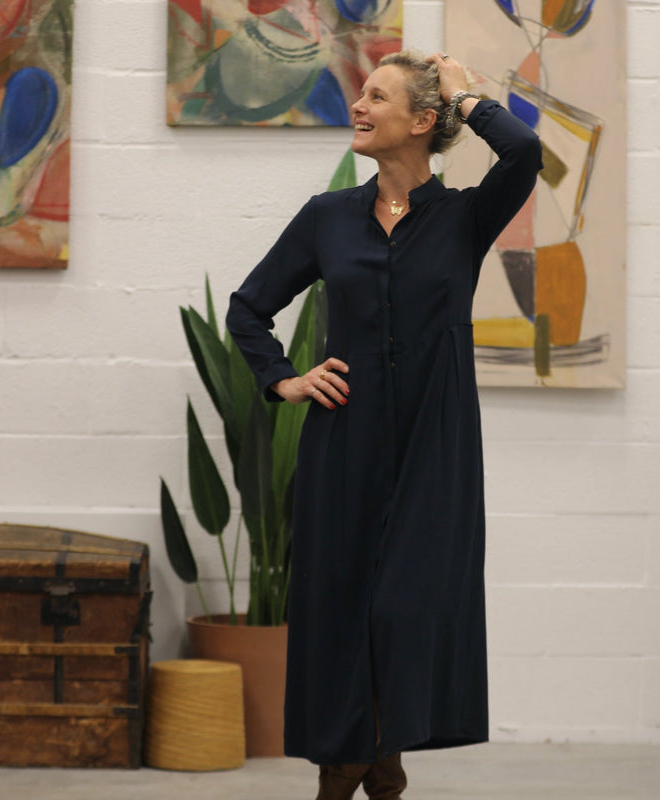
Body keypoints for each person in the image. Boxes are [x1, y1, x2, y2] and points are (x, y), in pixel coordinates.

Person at [226, 49, 542, 800]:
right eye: (360, 94)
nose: (358, 106)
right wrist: (285, 379)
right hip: (345, 441)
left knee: (405, 607)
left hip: (437, 444)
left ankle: (350, 768)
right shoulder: (327, 216)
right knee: (342, 607)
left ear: (422, 120)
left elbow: (525, 152)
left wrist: (464, 93)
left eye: (376, 97)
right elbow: (247, 309)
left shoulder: (464, 217)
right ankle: (378, 767)